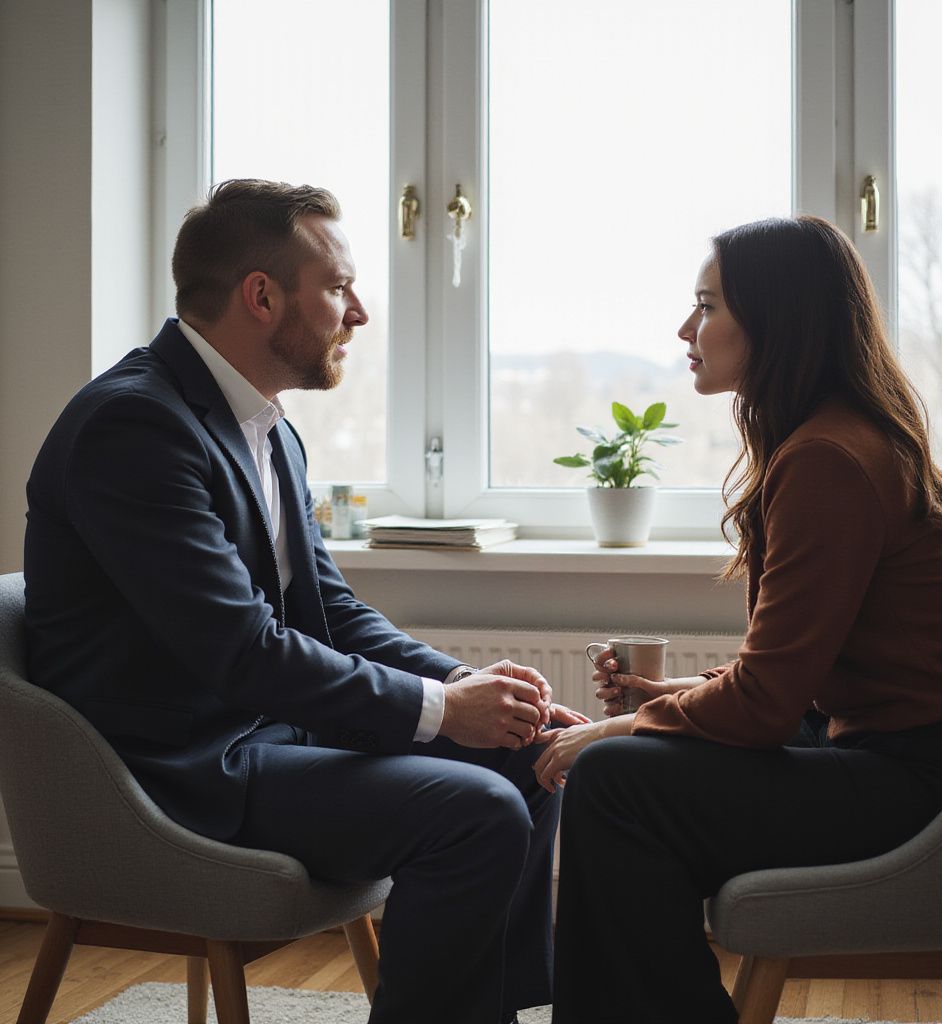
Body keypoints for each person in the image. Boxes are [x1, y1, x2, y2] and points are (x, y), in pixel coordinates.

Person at [24, 178, 587, 1024]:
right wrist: (442, 709)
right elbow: (242, 649)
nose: (357, 313)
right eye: (338, 287)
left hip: (264, 734)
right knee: (475, 813)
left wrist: (475, 690)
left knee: (526, 759)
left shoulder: (267, 426)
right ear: (262, 296)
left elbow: (327, 608)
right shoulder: (132, 427)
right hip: (175, 771)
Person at [533, 215, 942, 1023]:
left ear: (777, 321)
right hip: (921, 756)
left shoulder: (829, 457)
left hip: (932, 789)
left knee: (619, 783)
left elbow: (766, 705)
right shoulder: (843, 438)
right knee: (636, 769)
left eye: (708, 306)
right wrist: (678, 696)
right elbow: (799, 674)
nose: (686, 329)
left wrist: (616, 731)